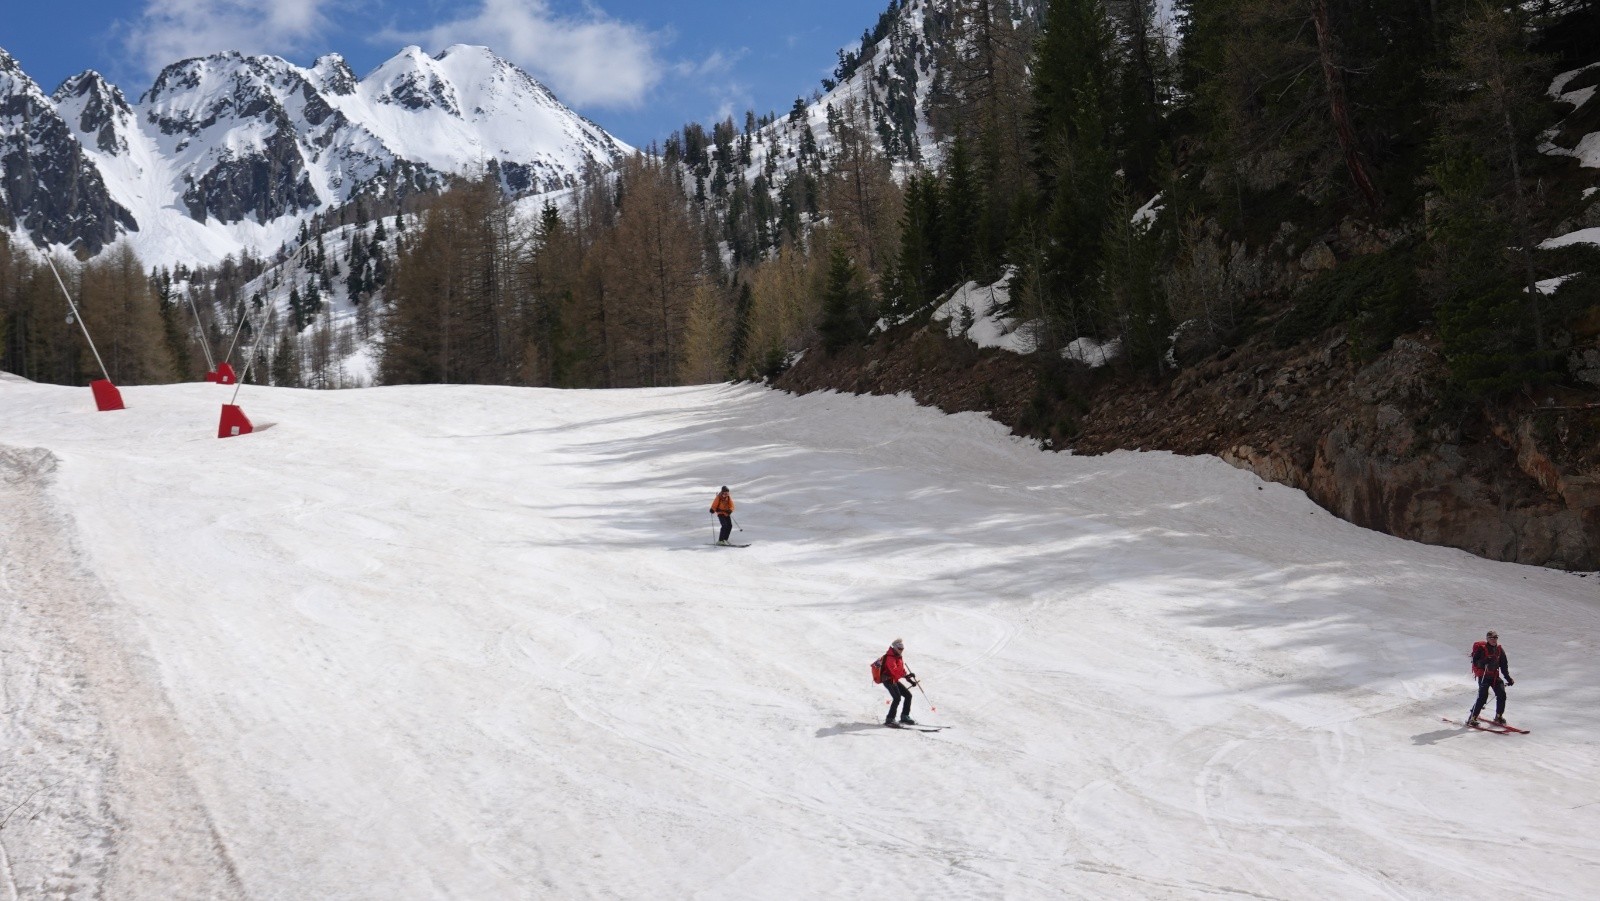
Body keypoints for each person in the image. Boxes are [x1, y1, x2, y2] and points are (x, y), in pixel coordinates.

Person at [1467, 630, 1514, 726]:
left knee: (1501, 694)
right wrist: (1484, 661)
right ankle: (1472, 718)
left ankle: (1499, 716)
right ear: (1487, 639)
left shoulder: (1500, 650)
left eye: (1495, 638)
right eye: (1491, 638)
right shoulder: (1482, 649)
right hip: (1483, 676)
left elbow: (1504, 666)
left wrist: (1508, 679)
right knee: (1482, 697)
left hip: (1494, 676)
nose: (1493, 640)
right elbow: (1475, 662)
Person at [880, 638, 919, 727]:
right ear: (894, 648)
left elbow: (901, 670)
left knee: (908, 695)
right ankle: (890, 719)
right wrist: (906, 676)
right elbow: (894, 671)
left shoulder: (898, 657)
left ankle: (904, 716)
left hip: (894, 679)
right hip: (888, 680)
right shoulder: (890, 657)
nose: (901, 650)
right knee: (897, 698)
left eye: (902, 649)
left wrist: (909, 680)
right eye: (900, 649)